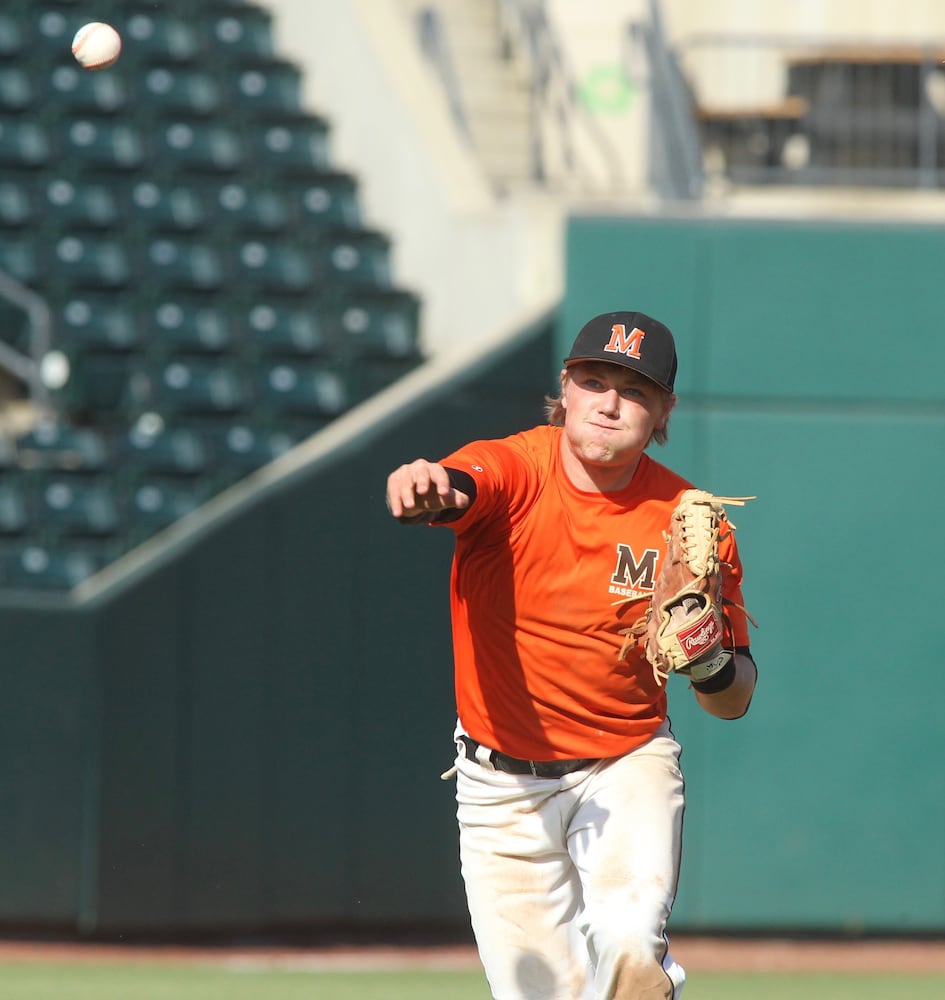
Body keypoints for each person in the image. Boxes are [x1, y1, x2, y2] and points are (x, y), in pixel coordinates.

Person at [385, 311, 757, 1000]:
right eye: (594, 380)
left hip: (623, 764)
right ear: (566, 387)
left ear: (664, 409)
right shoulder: (517, 466)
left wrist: (706, 661)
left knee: (628, 952)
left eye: (635, 390)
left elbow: (732, 699)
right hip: (499, 789)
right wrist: (427, 486)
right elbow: (462, 485)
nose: (610, 402)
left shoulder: (688, 518)